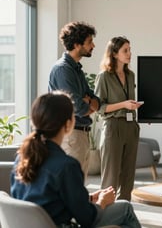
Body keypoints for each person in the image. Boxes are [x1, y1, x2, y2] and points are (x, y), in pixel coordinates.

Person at [10, 91, 141, 228]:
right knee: (125, 209)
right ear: (68, 124)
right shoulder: (66, 166)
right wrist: (101, 201)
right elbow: (87, 219)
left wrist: (88, 198)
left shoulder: (21, 159)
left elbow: (47, 200)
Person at [48, 21, 100, 179]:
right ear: (77, 45)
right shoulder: (63, 69)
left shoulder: (76, 69)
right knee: (71, 185)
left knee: (79, 184)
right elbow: (78, 107)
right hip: (72, 136)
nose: (93, 45)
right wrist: (88, 104)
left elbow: (95, 100)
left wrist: (89, 102)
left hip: (80, 135)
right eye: (90, 41)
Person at [94, 36, 142, 201]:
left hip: (131, 126)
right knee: (110, 179)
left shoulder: (131, 75)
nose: (129, 53)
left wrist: (133, 106)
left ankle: (123, 214)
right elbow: (99, 108)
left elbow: (129, 102)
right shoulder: (104, 77)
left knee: (128, 178)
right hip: (113, 128)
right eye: (125, 50)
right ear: (114, 53)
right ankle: (106, 217)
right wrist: (123, 105)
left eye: (130, 49)